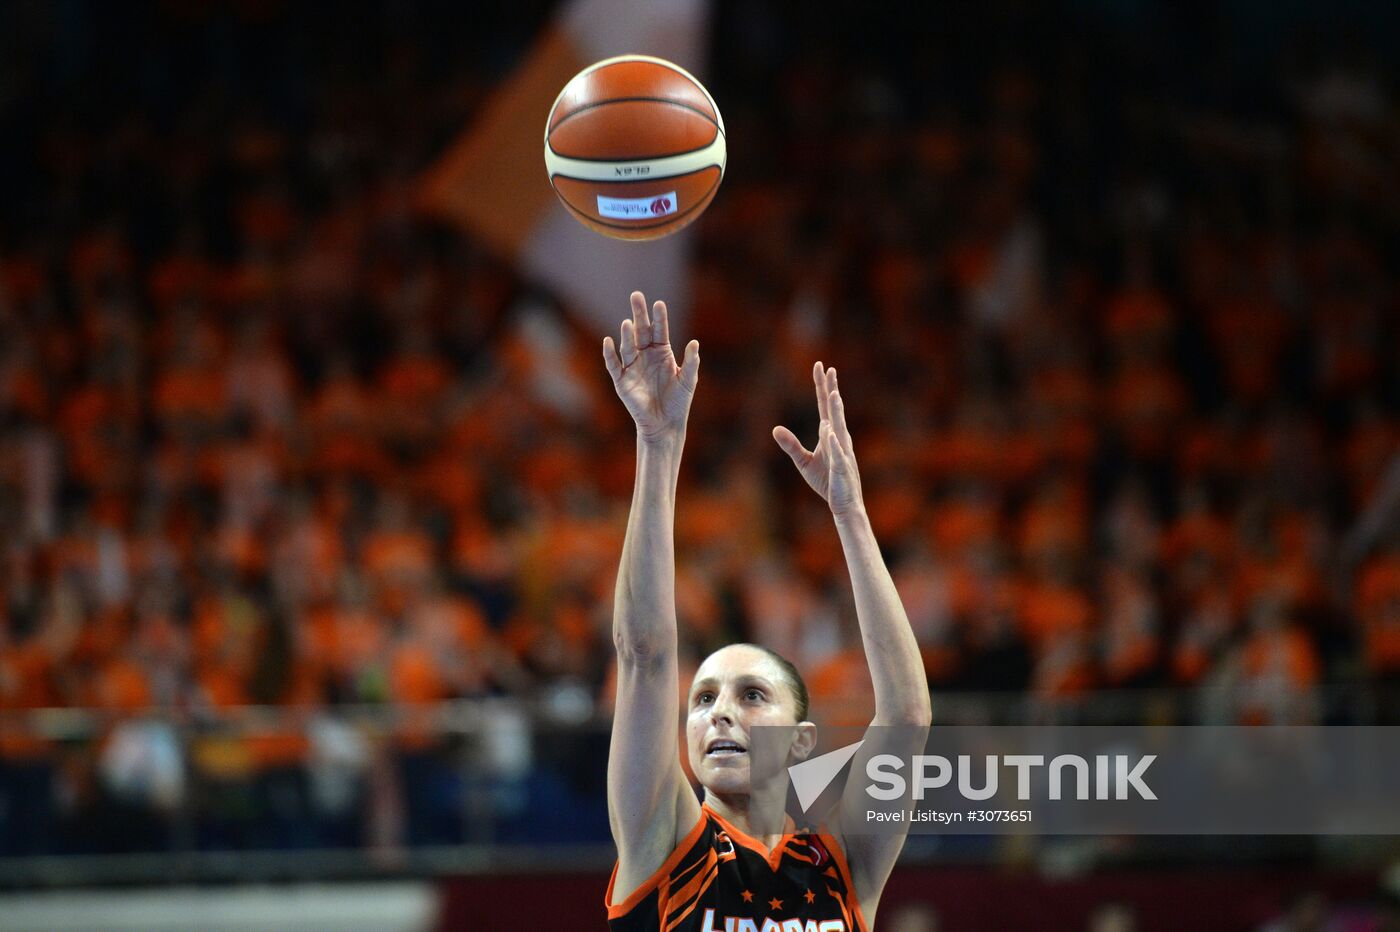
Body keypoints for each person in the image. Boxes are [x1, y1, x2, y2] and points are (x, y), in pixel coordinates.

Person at [602, 292, 932, 931]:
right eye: (702, 700)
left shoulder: (843, 869)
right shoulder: (665, 846)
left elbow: (907, 717)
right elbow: (645, 655)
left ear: (801, 742)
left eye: (752, 695)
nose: (719, 710)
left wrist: (850, 515)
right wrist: (657, 443)